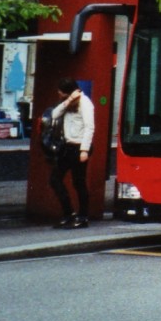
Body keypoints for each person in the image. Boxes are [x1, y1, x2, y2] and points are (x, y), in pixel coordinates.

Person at [48, 78, 95, 229]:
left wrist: (84, 150)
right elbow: (54, 115)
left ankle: (83, 216)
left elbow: (89, 127)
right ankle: (69, 213)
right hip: (67, 146)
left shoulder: (85, 103)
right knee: (55, 179)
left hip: (79, 147)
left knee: (78, 182)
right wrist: (68, 101)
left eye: (61, 91)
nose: (58, 93)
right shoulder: (69, 103)